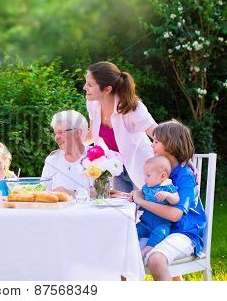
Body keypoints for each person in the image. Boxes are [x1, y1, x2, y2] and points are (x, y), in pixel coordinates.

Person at [131, 120, 206, 281]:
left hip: (185, 232)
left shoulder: (186, 176)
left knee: (156, 259)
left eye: (156, 142)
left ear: (171, 145)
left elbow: (175, 215)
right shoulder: (163, 171)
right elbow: (150, 194)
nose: (152, 145)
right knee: (123, 251)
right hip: (162, 229)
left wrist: (142, 202)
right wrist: (130, 195)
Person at [83, 61, 157, 193]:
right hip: (118, 169)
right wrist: (67, 146)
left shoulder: (133, 108)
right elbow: (90, 136)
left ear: (107, 89)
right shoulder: (93, 104)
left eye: (90, 84)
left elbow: (159, 134)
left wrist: (182, 156)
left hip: (144, 169)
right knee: (121, 210)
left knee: (142, 210)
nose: (84, 87)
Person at [137, 155, 179, 259]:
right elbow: (140, 196)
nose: (145, 178)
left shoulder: (168, 187)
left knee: (161, 233)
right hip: (144, 223)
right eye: (145, 175)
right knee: (135, 230)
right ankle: (131, 246)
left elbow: (176, 199)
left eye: (148, 175)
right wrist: (133, 197)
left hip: (161, 224)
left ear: (163, 176)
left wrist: (168, 195)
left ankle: (147, 249)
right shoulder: (146, 188)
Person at [41, 110, 90, 197]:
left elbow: (102, 192)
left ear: (78, 132)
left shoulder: (96, 157)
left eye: (61, 132)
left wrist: (73, 194)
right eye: (55, 133)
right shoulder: (52, 160)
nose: (56, 137)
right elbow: (43, 191)